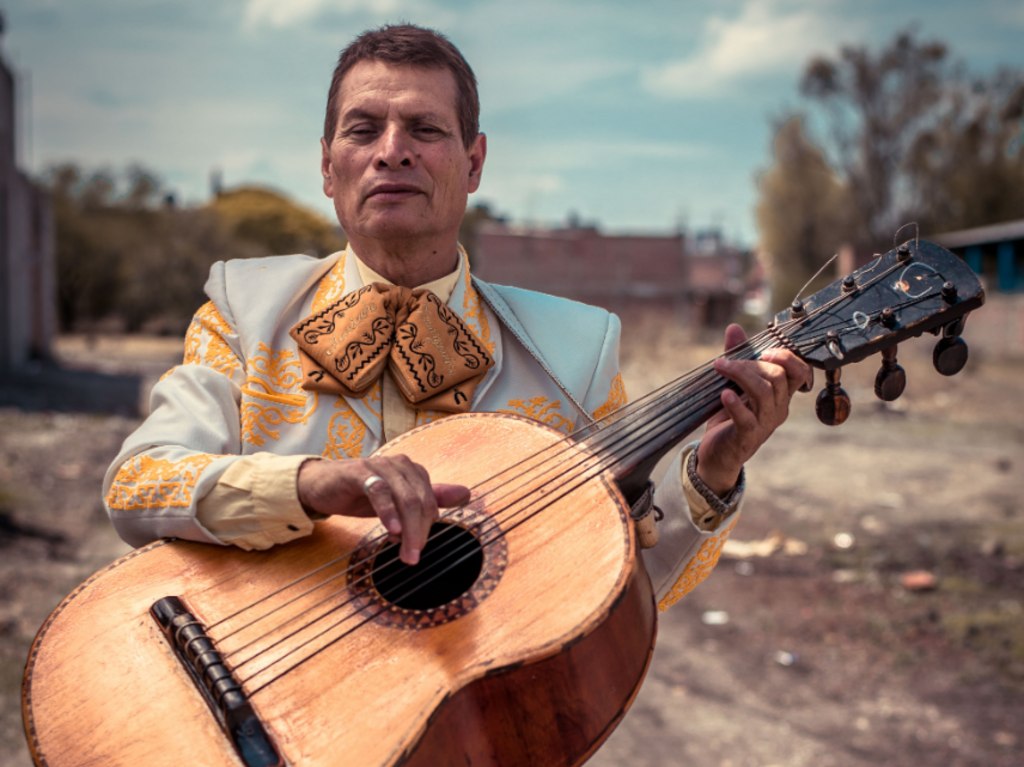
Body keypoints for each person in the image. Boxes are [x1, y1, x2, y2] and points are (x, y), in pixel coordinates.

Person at [102, 23, 811, 612]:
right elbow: (139, 485)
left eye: (424, 128)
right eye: (363, 128)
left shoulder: (575, 351)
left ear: (474, 163)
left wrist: (711, 477)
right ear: (327, 167)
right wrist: (309, 484)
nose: (392, 150)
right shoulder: (242, 309)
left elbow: (618, 596)